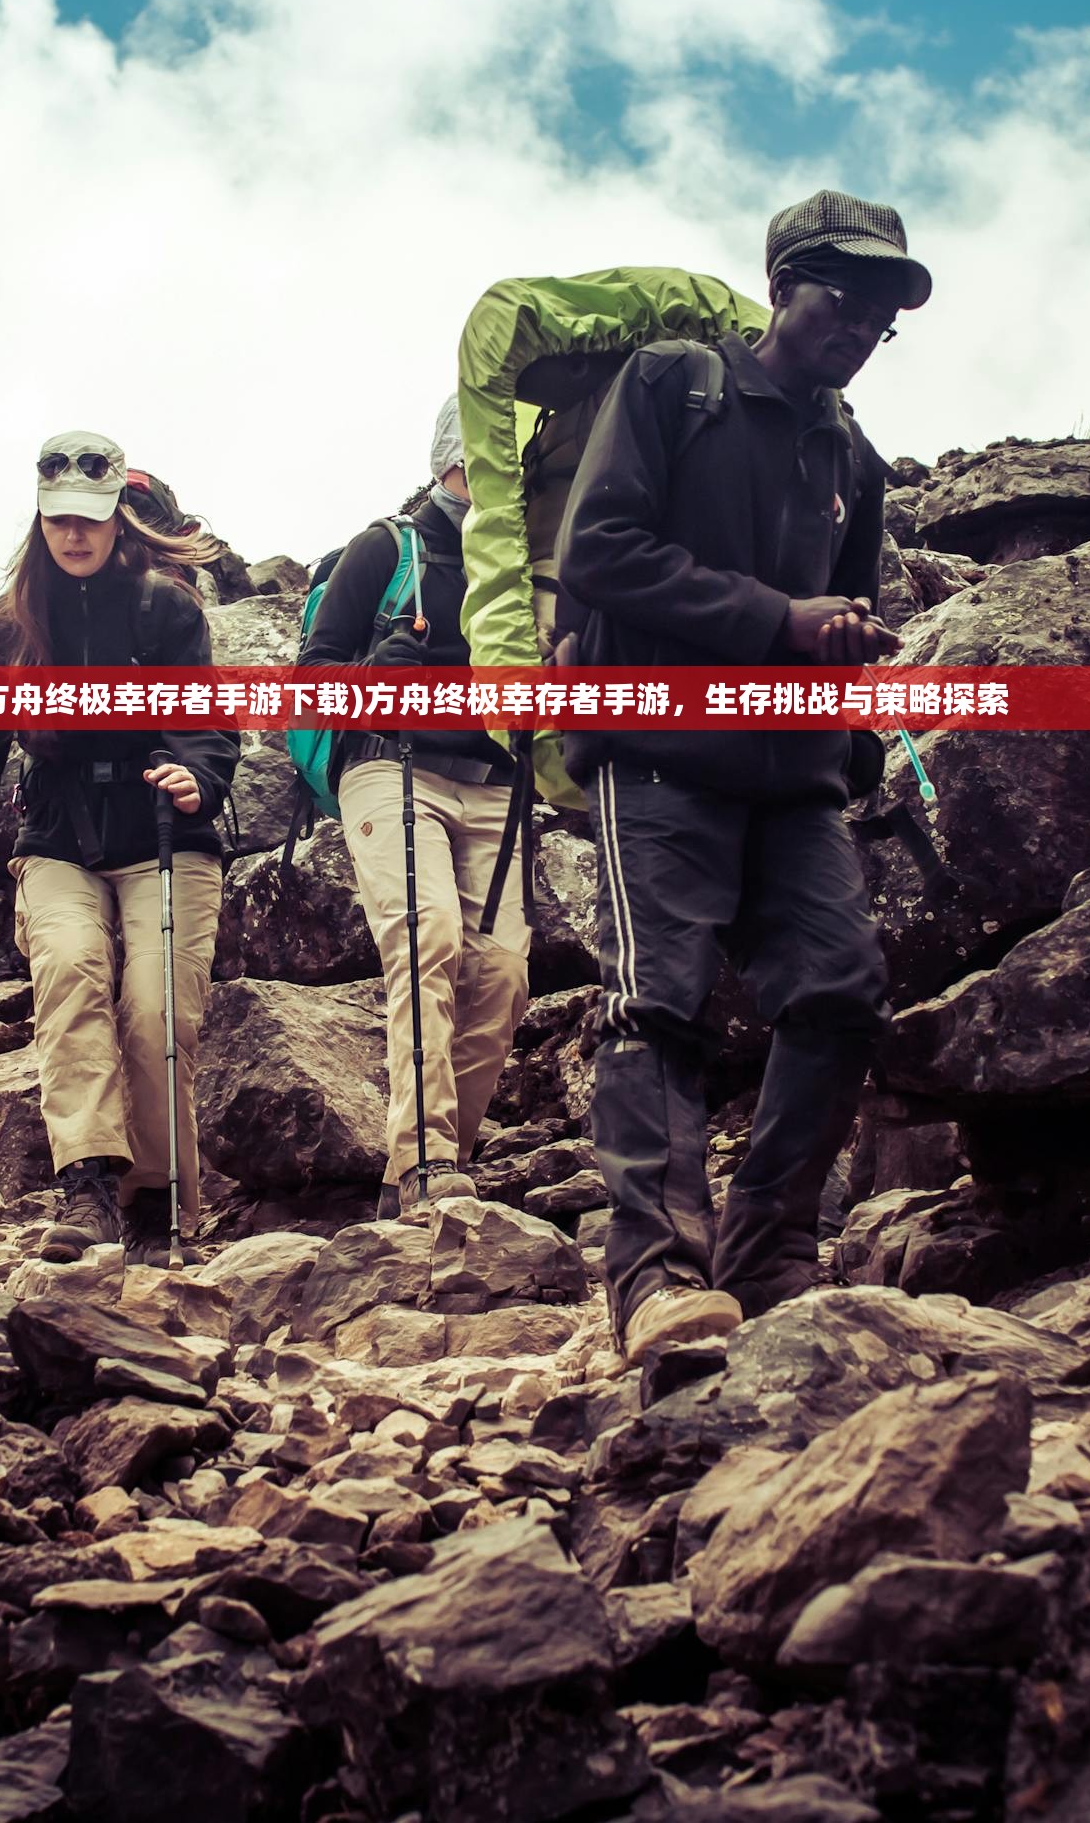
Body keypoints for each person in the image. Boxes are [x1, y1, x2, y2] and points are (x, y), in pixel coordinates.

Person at [557, 190, 923, 1367]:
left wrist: (851, 689)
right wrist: (780, 622)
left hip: (794, 775)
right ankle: (657, 1280)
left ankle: (767, 1255)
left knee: (840, 990)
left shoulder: (851, 452)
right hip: (660, 753)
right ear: (781, 286)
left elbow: (845, 611)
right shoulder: (674, 384)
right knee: (653, 1006)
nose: (862, 323)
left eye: (883, 310)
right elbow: (600, 551)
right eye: (843, 296)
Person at [0, 431, 238, 1264]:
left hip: (164, 834)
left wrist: (194, 775)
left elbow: (206, 726)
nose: (74, 534)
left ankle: (160, 1200)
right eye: (57, 519)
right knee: (68, 973)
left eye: (88, 519)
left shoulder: (164, 609)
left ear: (115, 519)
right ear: (39, 518)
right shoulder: (11, 629)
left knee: (158, 1004)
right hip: (58, 835)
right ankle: (89, 1184)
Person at [297, 393, 533, 1221]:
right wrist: (377, 675)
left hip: (495, 782)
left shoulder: (525, 564)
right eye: (484, 462)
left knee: (502, 973)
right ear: (448, 463)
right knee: (428, 937)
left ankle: (446, 1163)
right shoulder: (384, 548)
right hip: (389, 767)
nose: (500, 480)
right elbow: (311, 674)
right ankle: (423, 1163)